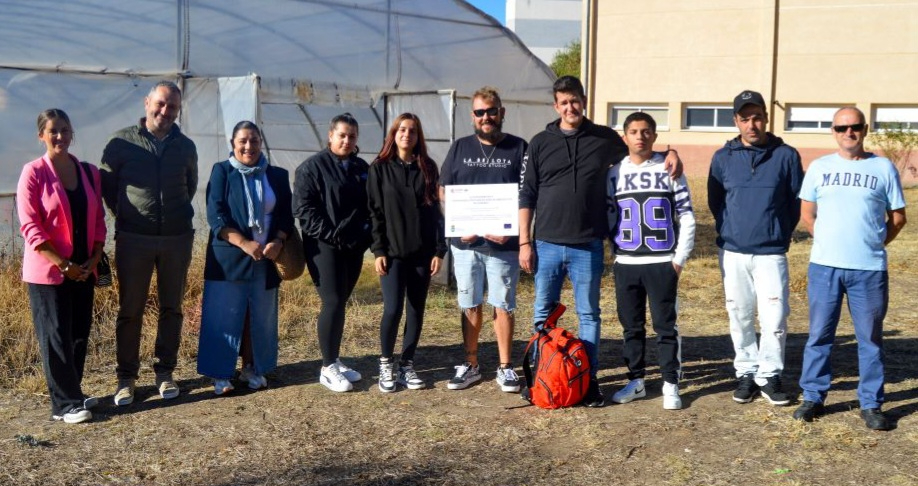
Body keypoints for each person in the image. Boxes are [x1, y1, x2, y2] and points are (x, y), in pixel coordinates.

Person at [518, 76, 681, 407]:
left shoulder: (603, 138)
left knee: (589, 314)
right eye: (563, 102)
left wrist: (671, 151)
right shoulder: (539, 142)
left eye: (575, 100)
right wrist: (524, 242)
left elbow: (641, 148)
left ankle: (586, 379)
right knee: (542, 313)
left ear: (584, 101)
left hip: (588, 244)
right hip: (547, 242)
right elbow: (527, 194)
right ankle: (541, 375)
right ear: (556, 106)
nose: (570, 107)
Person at [793, 107, 907, 430]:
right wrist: (829, 241)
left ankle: (871, 403)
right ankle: (813, 396)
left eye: (855, 126)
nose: (849, 133)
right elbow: (807, 214)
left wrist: (873, 242)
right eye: (842, 128)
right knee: (819, 335)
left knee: (870, 339)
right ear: (833, 131)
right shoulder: (819, 168)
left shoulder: (882, 168)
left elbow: (898, 218)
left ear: (865, 129)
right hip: (824, 268)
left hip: (868, 269)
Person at [100, 81, 198, 405]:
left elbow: (190, 185)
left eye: (172, 107)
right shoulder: (121, 142)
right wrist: (128, 216)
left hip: (176, 239)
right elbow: (107, 186)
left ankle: (165, 372)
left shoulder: (185, 147)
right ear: (146, 102)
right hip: (134, 239)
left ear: (178, 110)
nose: (165, 111)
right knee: (131, 309)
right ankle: (126, 378)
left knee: (172, 307)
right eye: (160, 104)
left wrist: (173, 217)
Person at [707, 90, 804, 406]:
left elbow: (793, 202)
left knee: (774, 317)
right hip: (733, 252)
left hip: (771, 253)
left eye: (757, 116)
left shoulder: (786, 155)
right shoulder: (723, 158)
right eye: (745, 118)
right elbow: (716, 201)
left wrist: (776, 232)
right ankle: (746, 372)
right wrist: (731, 230)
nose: (752, 124)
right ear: (736, 120)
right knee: (740, 315)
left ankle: (770, 375)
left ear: (766, 117)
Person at [17, 109, 107, 424]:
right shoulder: (34, 172)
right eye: (53, 131)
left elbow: (98, 218)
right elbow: (30, 226)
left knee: (79, 333)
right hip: (50, 271)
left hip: (84, 267)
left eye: (65, 130)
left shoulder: (88, 172)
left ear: (72, 134)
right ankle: (64, 405)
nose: (60, 137)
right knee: (55, 335)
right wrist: (62, 263)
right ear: (41, 135)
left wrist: (94, 257)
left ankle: (73, 392)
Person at [439, 87, 527, 393]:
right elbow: (443, 189)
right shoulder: (460, 148)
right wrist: (457, 222)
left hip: (504, 245)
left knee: (503, 304)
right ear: (472, 116)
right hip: (466, 246)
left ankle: (505, 367)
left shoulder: (519, 148)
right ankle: (471, 365)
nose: (486, 117)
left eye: (491, 111)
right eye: (479, 112)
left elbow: (529, 194)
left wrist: (515, 229)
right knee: (469, 302)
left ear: (501, 112)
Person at [607, 112, 695, 410]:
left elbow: (686, 215)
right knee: (631, 327)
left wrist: (679, 259)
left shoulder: (669, 168)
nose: (640, 137)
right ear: (625, 137)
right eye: (634, 131)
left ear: (655, 136)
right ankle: (637, 380)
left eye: (646, 131)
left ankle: (670, 382)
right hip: (627, 261)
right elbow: (608, 216)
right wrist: (614, 256)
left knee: (665, 327)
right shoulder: (614, 172)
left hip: (661, 261)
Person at [197, 121, 293, 394]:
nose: (249, 146)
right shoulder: (222, 172)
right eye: (243, 141)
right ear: (233, 143)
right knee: (223, 316)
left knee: (259, 317)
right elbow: (216, 216)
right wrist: (244, 243)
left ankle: (253, 367)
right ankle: (220, 374)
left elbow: (287, 215)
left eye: (254, 140)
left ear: (261, 142)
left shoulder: (276, 175)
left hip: (266, 258)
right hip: (228, 258)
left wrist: (277, 241)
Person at [367, 113, 447, 393]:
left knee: (416, 309)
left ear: (417, 137)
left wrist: (440, 249)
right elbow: (375, 212)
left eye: (412, 131)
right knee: (392, 309)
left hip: (422, 253)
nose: (407, 134)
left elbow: (437, 213)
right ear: (394, 134)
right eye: (402, 129)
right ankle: (386, 364)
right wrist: (378, 250)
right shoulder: (379, 168)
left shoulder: (427, 167)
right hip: (392, 254)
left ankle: (407, 365)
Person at [294, 113, 371, 393]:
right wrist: (332, 235)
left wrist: (363, 236)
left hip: (353, 247)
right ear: (330, 135)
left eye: (351, 136)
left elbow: (369, 206)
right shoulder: (312, 168)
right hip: (323, 247)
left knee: (341, 301)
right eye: (342, 135)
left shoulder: (361, 168)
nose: (347, 140)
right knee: (333, 300)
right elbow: (304, 210)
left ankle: (334, 359)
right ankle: (327, 368)